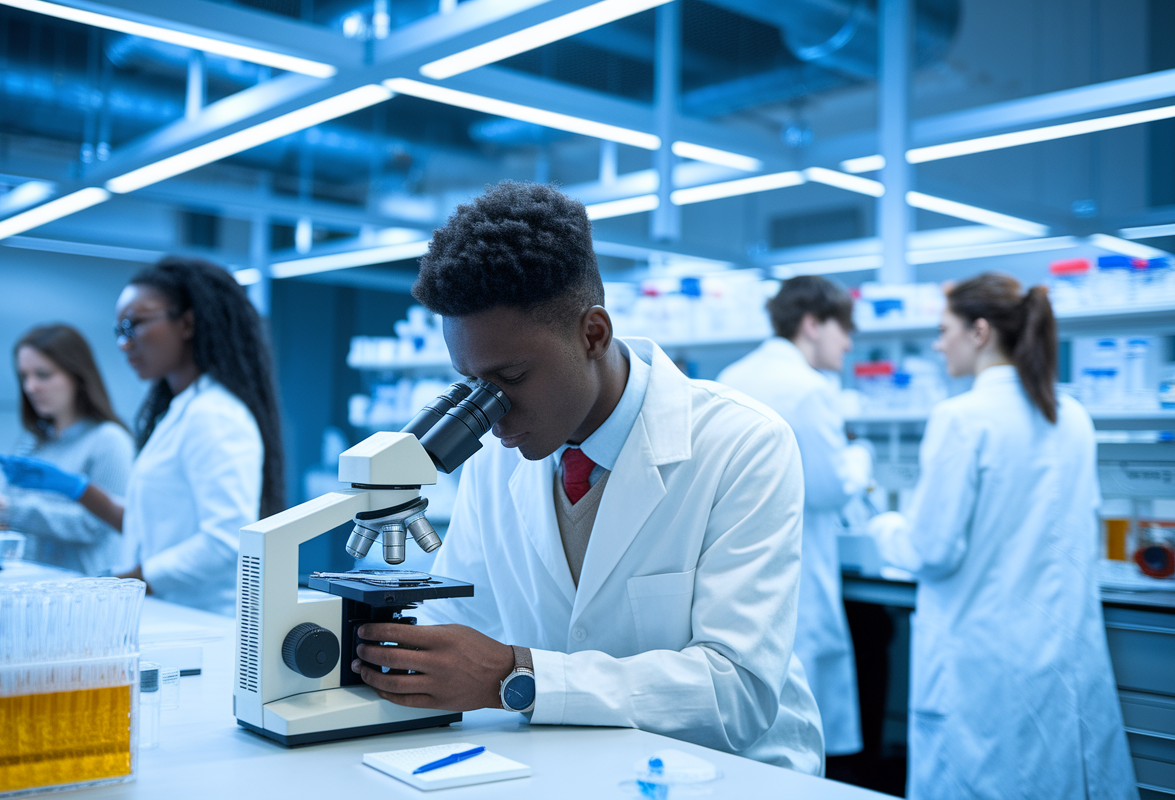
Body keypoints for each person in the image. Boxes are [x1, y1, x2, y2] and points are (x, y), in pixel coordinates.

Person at [346, 182, 825, 774]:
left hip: (727, 773)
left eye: (511, 379)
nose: (490, 416)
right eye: (469, 385)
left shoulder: (742, 443)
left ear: (593, 333)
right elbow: (459, 622)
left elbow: (737, 692)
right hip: (563, 766)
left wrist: (515, 675)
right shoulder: (501, 452)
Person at [868, 272, 1137, 799]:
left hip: (983, 664)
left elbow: (932, 550)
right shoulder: (1072, 417)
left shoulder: (962, 418)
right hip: (1059, 657)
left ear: (980, 331)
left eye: (945, 329)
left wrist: (884, 527)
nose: (937, 343)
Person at [0, 257, 284, 615]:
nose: (124, 344)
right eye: (119, 330)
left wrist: (131, 580)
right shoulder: (183, 410)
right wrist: (78, 489)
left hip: (204, 620)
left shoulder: (213, 415)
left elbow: (227, 541)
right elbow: (153, 523)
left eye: (134, 325)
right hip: (174, 614)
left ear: (187, 323)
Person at [716, 276, 871, 763]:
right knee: (802, 723)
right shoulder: (810, 388)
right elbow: (830, 489)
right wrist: (860, 457)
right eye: (843, 328)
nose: (848, 342)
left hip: (731, 572)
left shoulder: (733, 374)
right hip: (799, 575)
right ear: (811, 324)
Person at [0, 324, 134, 575]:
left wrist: (12, 509)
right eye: (24, 376)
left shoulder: (109, 440)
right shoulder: (36, 442)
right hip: (37, 586)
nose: (30, 387)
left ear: (77, 376)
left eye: (43, 375)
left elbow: (95, 525)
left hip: (86, 592)